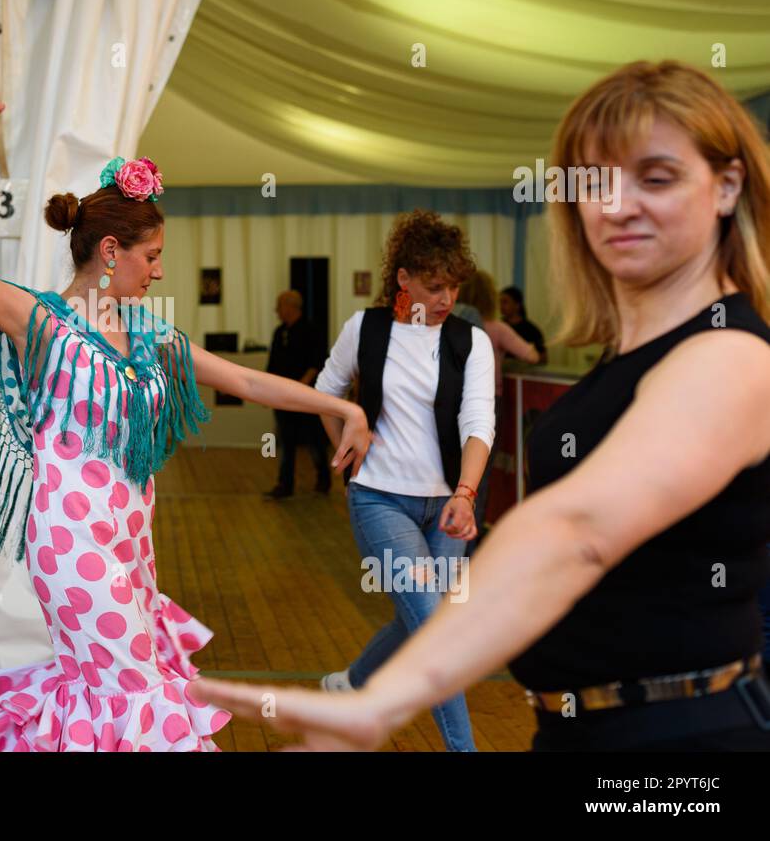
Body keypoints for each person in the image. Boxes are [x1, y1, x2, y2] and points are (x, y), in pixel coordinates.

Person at [192, 61, 770, 751]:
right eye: (595, 182)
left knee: (422, 603)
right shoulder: (631, 356)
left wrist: (385, 702)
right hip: (582, 727)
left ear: (727, 185)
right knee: (420, 603)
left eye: (656, 176)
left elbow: (574, 528)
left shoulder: (731, 354)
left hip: (681, 745)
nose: (617, 205)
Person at [0, 89, 371, 751]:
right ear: (110, 250)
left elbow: (245, 379)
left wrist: (340, 403)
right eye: (151, 256)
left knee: (109, 697)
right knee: (137, 693)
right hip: (70, 543)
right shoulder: (37, 321)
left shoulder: (153, 336)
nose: (159, 271)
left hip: (131, 542)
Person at [314, 210, 496, 753]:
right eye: (434, 286)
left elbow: (478, 422)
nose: (446, 298)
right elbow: (327, 390)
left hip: (447, 506)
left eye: (454, 286)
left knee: (417, 617)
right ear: (403, 278)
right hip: (379, 500)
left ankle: (351, 685)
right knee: (437, 628)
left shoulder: (471, 342)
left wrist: (465, 494)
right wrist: (347, 451)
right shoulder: (365, 329)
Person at [456, 269, 539, 534]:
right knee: (479, 476)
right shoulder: (497, 328)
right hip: (488, 402)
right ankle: (469, 542)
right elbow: (532, 356)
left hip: (453, 403)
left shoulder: (450, 323)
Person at [264, 290, 330, 498]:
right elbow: (272, 365)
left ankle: (324, 478)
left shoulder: (312, 331)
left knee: (314, 439)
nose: (276, 311)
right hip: (282, 397)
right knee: (286, 441)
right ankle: (285, 484)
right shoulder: (279, 332)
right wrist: (267, 390)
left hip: (306, 397)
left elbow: (316, 363)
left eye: (279, 306)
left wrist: (300, 390)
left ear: (290, 307)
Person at [499, 285, 548, 365]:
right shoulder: (499, 327)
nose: (501, 306)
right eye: (499, 302)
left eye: (505, 302)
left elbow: (543, 358)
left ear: (517, 305)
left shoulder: (531, 330)